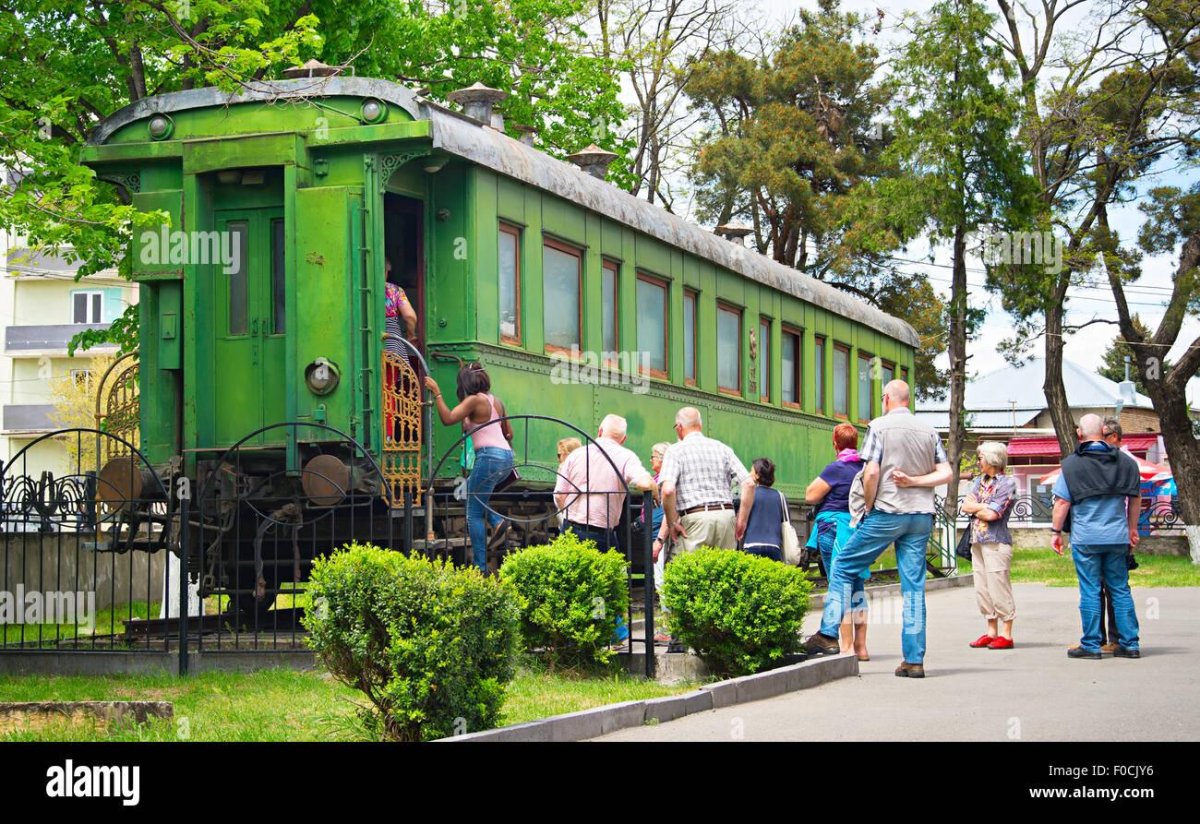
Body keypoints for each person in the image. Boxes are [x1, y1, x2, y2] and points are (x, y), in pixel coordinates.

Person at [804, 380, 952, 679]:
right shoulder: (929, 430)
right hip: (921, 516)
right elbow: (946, 473)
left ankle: (829, 633)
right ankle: (913, 660)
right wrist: (915, 482)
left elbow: (870, 471)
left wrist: (869, 505)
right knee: (913, 588)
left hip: (888, 512)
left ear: (886, 399)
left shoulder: (879, 427)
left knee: (844, 566)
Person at [1053, 413, 1142, 660]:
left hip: (1086, 538)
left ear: (1079, 434)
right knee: (1120, 589)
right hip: (1117, 536)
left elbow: (1062, 502)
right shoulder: (1126, 462)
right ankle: (1130, 643)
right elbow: (1135, 499)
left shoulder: (1071, 464)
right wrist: (1132, 529)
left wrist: (1055, 532)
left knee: (1090, 589)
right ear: (1104, 430)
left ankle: (1091, 645)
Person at [424, 364, 513, 573]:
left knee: (472, 512)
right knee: (474, 495)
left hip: (489, 456)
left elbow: (447, 419)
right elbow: (509, 433)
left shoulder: (473, 401)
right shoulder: (495, 401)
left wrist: (437, 393)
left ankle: (479, 568)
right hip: (506, 457)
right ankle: (497, 522)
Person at [805, 423, 869, 659]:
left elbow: (810, 495)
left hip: (834, 528)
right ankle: (862, 648)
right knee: (857, 588)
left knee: (839, 585)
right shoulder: (864, 469)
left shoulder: (836, 468)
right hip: (858, 530)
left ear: (835, 443)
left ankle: (846, 646)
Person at [658, 407, 754, 560]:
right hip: (726, 517)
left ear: (679, 428)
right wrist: (741, 520)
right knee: (723, 575)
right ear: (700, 425)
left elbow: (668, 490)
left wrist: (671, 523)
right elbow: (749, 483)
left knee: (688, 575)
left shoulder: (675, 451)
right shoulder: (723, 448)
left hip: (695, 519)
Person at [553, 414, 657, 552]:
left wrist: (568, 519)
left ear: (600, 431)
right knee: (608, 571)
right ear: (623, 439)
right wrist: (655, 492)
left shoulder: (576, 455)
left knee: (570, 572)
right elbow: (645, 484)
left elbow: (559, 495)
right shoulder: (626, 457)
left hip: (572, 529)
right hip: (602, 533)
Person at [961, 441, 1018, 650]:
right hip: (977, 541)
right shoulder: (978, 482)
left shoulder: (1006, 483)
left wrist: (978, 507)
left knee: (998, 586)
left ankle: (1006, 633)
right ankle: (991, 630)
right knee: (982, 588)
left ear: (992, 460)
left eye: (980, 458)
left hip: (996, 542)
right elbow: (965, 505)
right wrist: (982, 506)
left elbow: (993, 514)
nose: (978, 462)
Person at [738, 458, 786, 561]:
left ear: (757, 475)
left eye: (751, 471)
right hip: (774, 546)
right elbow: (786, 523)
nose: (749, 474)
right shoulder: (780, 496)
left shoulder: (750, 494)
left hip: (751, 545)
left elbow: (742, 519)